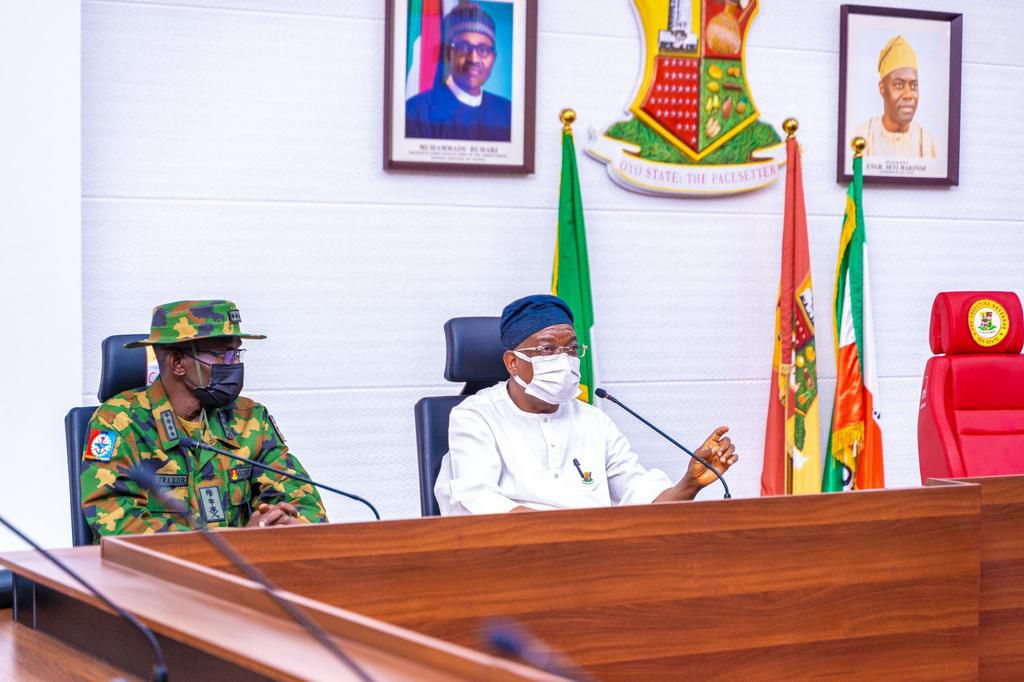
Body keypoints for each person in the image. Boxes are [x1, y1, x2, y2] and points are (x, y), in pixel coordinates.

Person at [434, 294, 739, 515]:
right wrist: (568, 536)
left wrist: (690, 484)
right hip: (511, 560)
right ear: (513, 362)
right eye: (547, 348)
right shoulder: (475, 416)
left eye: (570, 349)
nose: (563, 359)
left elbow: (641, 497)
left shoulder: (594, 421)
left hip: (593, 557)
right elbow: (478, 499)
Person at [80, 300, 327, 540]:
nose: (235, 365)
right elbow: (118, 523)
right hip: (156, 576)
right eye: (223, 355)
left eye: (237, 353)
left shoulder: (250, 418)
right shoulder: (119, 422)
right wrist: (241, 540)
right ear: (177, 362)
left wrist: (286, 524)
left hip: (240, 574)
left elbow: (304, 501)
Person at [405, 3, 512, 142]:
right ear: (448, 52)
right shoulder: (416, 111)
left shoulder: (507, 112)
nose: (473, 59)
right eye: (463, 47)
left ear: (493, 57)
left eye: (483, 49)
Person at [855, 35, 937, 159]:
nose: (908, 95)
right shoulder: (862, 136)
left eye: (914, 85)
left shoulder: (926, 142)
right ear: (882, 88)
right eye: (899, 85)